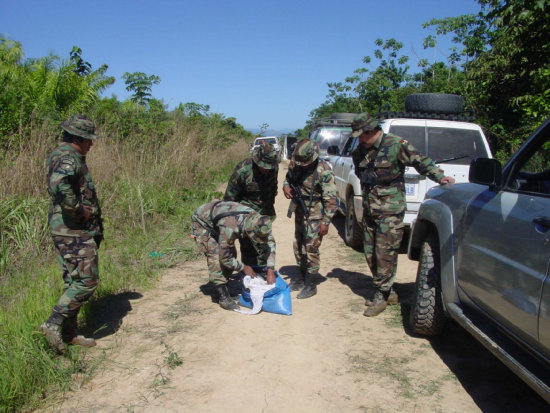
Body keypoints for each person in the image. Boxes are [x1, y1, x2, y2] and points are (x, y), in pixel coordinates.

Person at [350, 113, 455, 317]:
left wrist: (440, 177)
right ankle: (388, 291)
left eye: (362, 135)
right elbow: (363, 176)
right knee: (370, 251)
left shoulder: (396, 144)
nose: (360, 139)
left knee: (385, 252)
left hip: (390, 208)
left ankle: (381, 294)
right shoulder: (359, 152)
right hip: (371, 207)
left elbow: (421, 161)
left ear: (371, 131)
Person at [41, 114, 104, 352]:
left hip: (69, 228)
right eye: (88, 139)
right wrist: (79, 210)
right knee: (87, 281)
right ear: (77, 138)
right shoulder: (68, 157)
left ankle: (69, 334)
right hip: (71, 229)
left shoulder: (66, 155)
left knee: (73, 280)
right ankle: (53, 322)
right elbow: (59, 185)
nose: (91, 144)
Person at [191, 201, 276, 310]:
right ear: (248, 229)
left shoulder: (260, 221)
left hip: (220, 219)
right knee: (216, 256)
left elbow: (270, 244)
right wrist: (243, 267)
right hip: (202, 221)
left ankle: (225, 283)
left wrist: (270, 269)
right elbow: (224, 258)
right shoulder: (230, 226)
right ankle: (221, 294)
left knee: (231, 254)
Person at [283, 139, 338, 299]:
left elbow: (331, 199)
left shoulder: (324, 171)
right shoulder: (296, 164)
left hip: (315, 213)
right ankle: (300, 277)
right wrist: (286, 187)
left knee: (311, 248)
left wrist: (325, 222)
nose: (302, 165)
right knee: (298, 244)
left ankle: (311, 283)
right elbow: (288, 178)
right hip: (299, 210)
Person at [224, 141, 279, 266]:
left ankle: (263, 272)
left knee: (265, 244)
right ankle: (249, 274)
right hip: (246, 216)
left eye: (268, 166)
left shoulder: (273, 167)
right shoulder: (243, 170)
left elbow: (273, 189)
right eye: (263, 166)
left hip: (265, 213)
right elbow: (229, 199)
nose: (266, 169)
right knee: (248, 248)